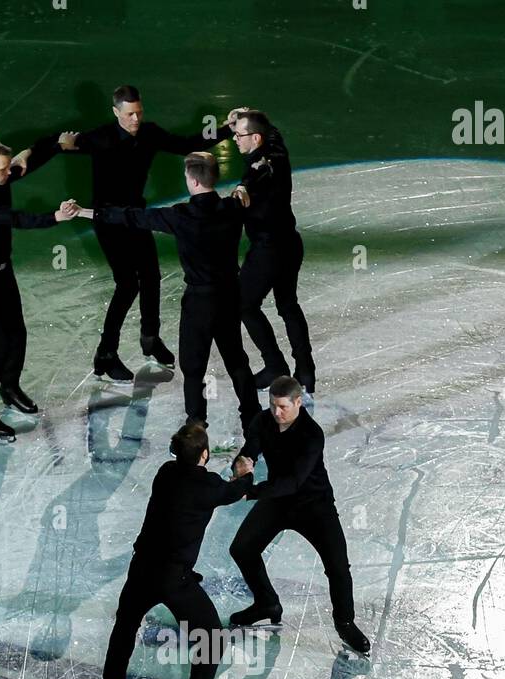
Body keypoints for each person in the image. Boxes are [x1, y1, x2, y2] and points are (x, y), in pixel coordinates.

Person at [65, 152, 261, 435]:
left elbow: (132, 217)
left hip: (199, 302)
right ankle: (253, 421)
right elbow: (249, 185)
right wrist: (243, 186)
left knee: (193, 368)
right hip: (229, 295)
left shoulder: (181, 215)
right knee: (237, 360)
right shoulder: (232, 207)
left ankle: (196, 426)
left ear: (193, 181)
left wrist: (85, 212)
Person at [59, 85, 232, 381]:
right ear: (116, 113)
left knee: (151, 276)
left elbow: (186, 143)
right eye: (129, 115)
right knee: (127, 284)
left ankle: (150, 339)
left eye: (139, 112)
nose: (135, 120)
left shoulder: (149, 133)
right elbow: (61, 144)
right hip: (109, 220)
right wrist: (57, 144)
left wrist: (227, 129)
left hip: (137, 217)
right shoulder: (100, 137)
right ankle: (105, 354)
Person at [93, 421, 254, 679]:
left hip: (142, 569)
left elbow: (208, 484)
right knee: (211, 636)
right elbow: (233, 490)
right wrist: (245, 474)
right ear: (204, 454)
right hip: (173, 579)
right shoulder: (208, 487)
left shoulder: (166, 473)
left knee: (125, 628)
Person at [227, 377, 371, 654]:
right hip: (277, 501)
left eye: (282, 407)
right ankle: (266, 603)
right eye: (272, 405)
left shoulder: (312, 434)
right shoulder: (262, 420)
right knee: (242, 548)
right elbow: (249, 452)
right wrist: (242, 465)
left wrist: (252, 492)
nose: (276, 412)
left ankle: (345, 621)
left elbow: (294, 481)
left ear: (297, 402)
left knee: (338, 566)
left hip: (313, 504)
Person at [0, 137, 73, 441]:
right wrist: (56, 217)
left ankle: (9, 387)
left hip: (1, 269)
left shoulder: (1, 177)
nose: (7, 173)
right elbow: (16, 218)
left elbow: (26, 161)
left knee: (17, 332)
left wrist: (57, 145)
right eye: (2, 169)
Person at [229, 109, 316, 392]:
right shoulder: (276, 145)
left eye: (239, 135)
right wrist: (242, 113)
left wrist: (243, 187)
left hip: (269, 250)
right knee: (287, 304)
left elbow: (260, 170)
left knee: (242, 304)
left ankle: (275, 365)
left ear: (255, 138)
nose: (234, 139)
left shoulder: (262, 163)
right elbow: (272, 130)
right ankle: (305, 368)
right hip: (290, 244)